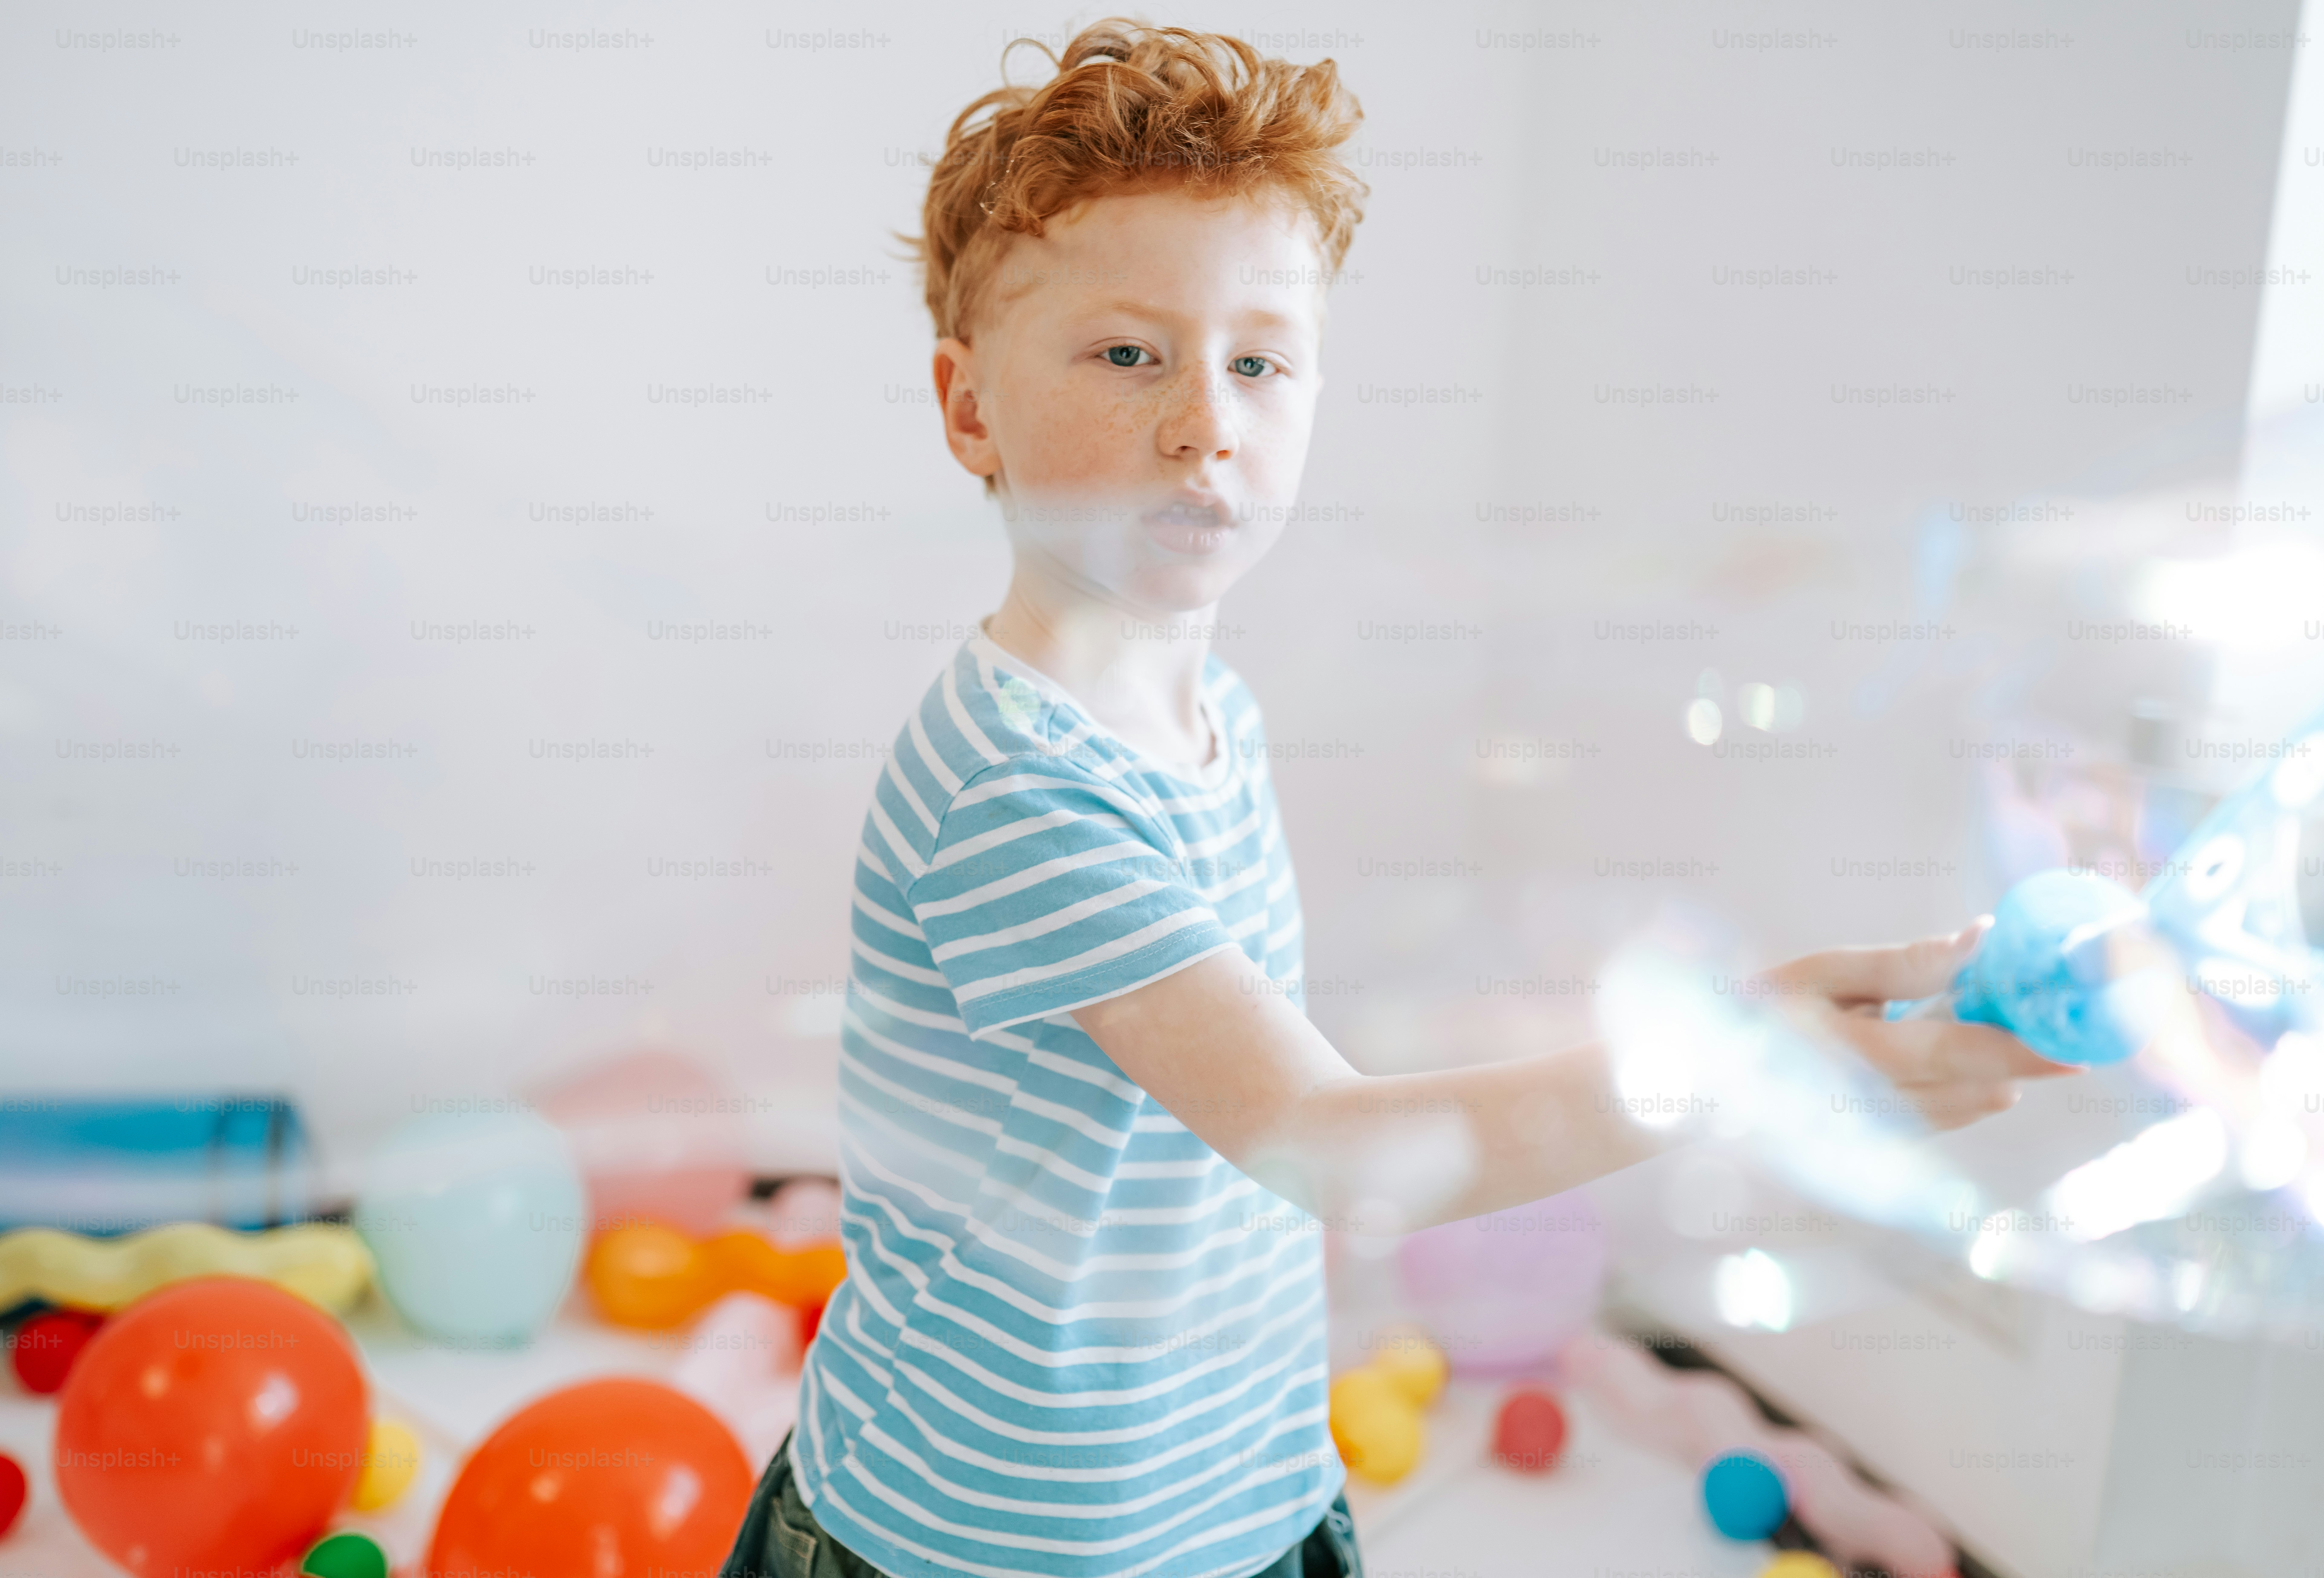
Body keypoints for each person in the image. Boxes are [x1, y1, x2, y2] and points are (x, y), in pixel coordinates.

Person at [722, 20, 2073, 1578]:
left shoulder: (1204, 707)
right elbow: (1329, 1146)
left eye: (1257, 360)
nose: (1204, 422)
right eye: (1125, 354)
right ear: (968, 409)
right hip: (990, 1545)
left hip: (1232, 1489)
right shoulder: (1017, 791)